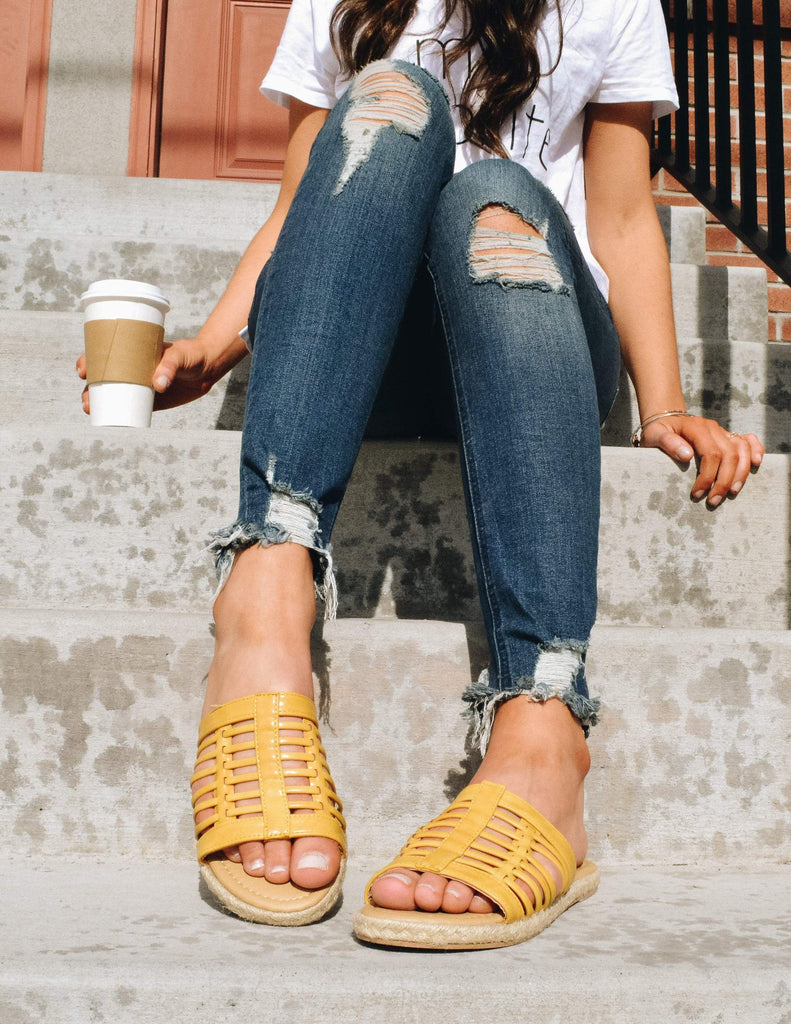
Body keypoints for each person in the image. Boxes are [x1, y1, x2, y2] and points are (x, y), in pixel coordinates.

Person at [79, 0, 764, 949]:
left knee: (491, 193)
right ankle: (265, 599)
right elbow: (301, 208)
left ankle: (543, 720)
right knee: (393, 100)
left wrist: (662, 406)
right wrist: (214, 343)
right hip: (369, 349)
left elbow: (617, 219)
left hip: (532, 328)